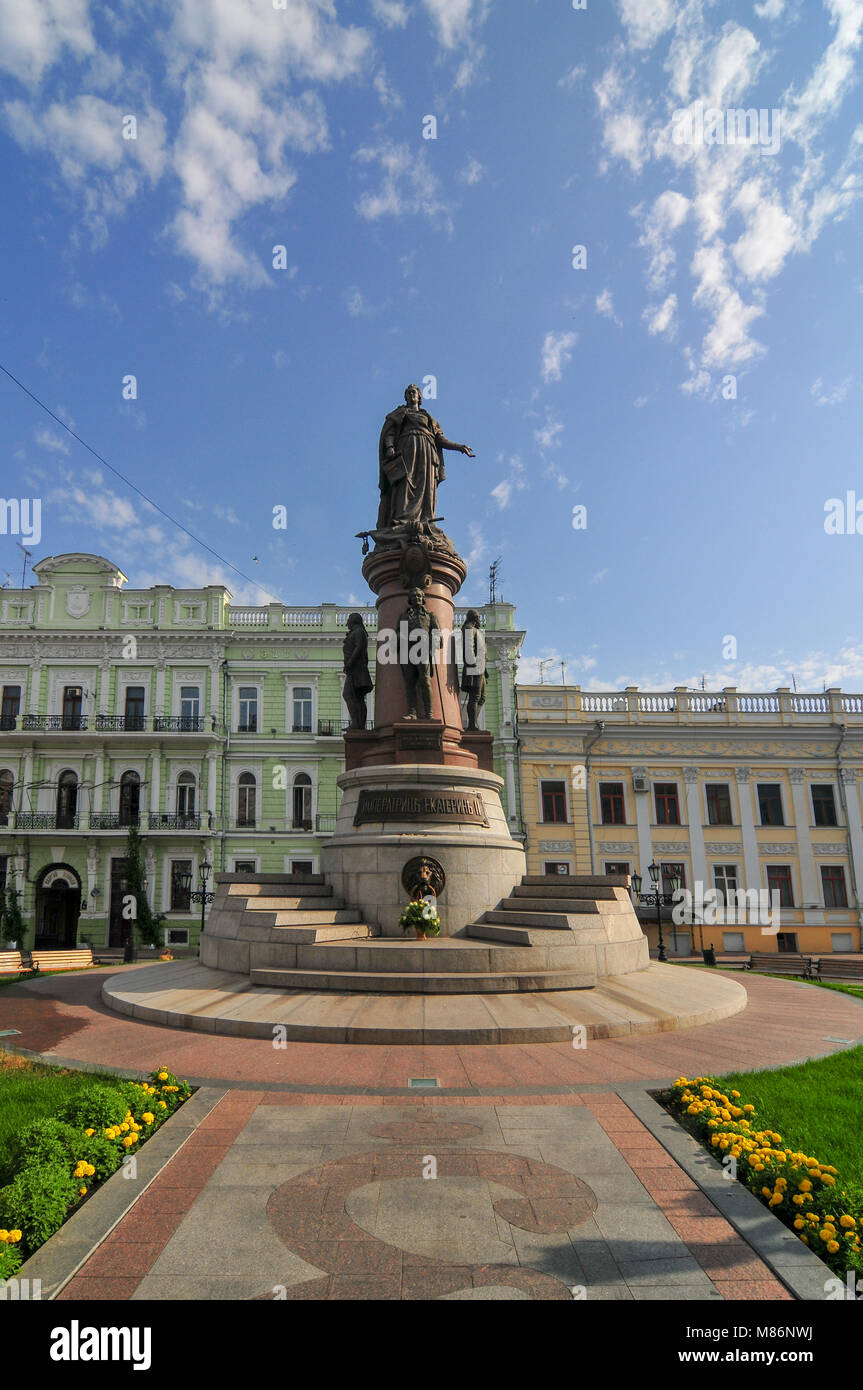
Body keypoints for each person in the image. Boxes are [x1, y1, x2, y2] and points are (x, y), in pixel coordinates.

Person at [377, 384, 474, 531]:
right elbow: (389, 433)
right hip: (407, 449)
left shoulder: (429, 418)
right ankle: (401, 521)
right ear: (405, 397)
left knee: (426, 486)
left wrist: (459, 447)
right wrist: (390, 447)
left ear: (419, 396)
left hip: (427, 453)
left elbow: (440, 440)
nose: (411, 395)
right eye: (408, 393)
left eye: (414, 392)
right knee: (405, 483)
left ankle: (426, 520)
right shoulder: (400, 413)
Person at [397, 587, 439, 720]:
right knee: (409, 682)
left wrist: (431, 647)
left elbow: (436, 633)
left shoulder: (429, 615)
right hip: (408, 651)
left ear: (423, 599)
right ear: (410, 599)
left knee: (425, 681)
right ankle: (412, 712)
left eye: (419, 596)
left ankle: (429, 713)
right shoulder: (404, 616)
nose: (417, 598)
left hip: (423, 650)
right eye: (414, 596)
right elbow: (398, 632)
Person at [343, 613, 373, 729]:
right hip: (355, 668)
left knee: (348, 694)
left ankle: (357, 723)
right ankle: (359, 724)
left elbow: (359, 647)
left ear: (353, 621)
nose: (347, 623)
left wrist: (350, 662)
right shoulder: (356, 632)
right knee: (358, 697)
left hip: (356, 669)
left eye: (349, 620)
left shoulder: (358, 632)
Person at [460, 609, 487, 731]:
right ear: (475, 618)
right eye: (478, 618)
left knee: (482, 697)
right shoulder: (469, 629)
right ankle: (471, 725)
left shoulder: (476, 631)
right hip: (474, 668)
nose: (479, 620)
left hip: (480, 669)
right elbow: (468, 648)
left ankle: (473, 722)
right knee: (474, 697)